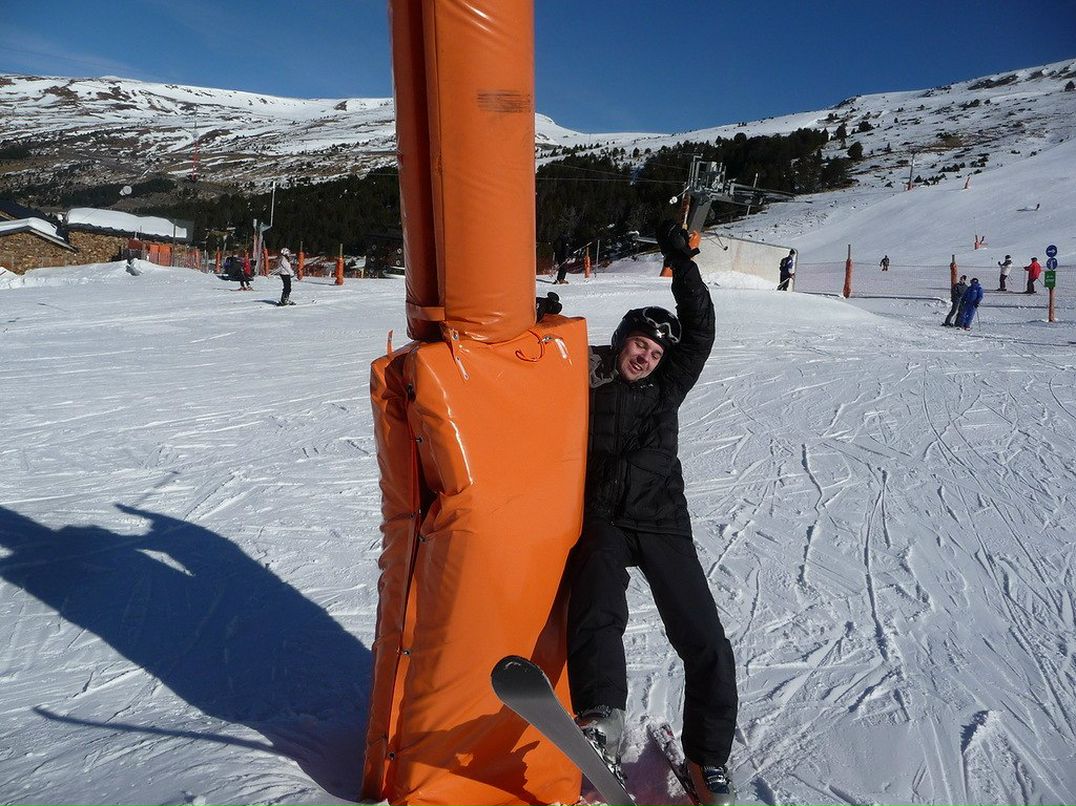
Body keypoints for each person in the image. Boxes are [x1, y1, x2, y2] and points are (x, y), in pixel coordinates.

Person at [566, 220, 736, 806]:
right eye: (640, 343)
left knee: (705, 641)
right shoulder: (584, 372)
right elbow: (531, 360)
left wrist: (680, 261)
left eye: (656, 351)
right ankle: (602, 721)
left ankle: (707, 760)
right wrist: (535, 322)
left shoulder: (668, 387)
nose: (646, 355)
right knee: (597, 612)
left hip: (662, 520)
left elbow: (702, 330)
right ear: (623, 339)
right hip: (602, 519)